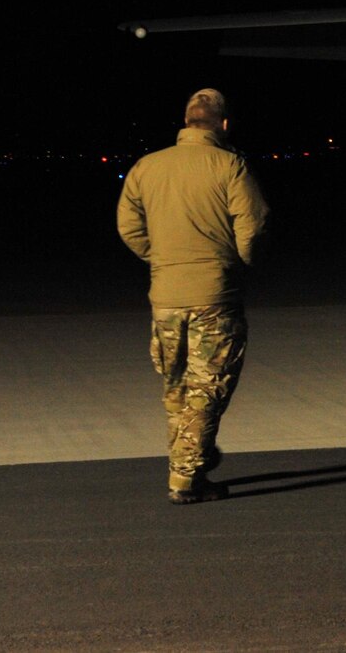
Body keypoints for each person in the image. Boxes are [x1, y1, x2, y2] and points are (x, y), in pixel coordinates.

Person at [115, 88, 270, 504]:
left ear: (185, 122)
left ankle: (190, 457)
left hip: (164, 297)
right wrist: (237, 262)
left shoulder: (146, 167)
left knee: (177, 386)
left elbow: (128, 227)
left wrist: (162, 260)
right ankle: (185, 477)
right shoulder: (229, 165)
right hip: (213, 296)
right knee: (208, 388)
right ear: (223, 124)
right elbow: (252, 226)